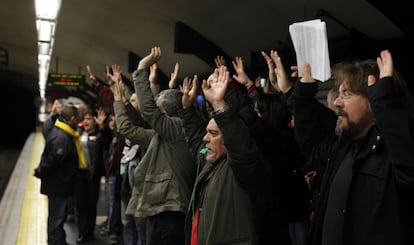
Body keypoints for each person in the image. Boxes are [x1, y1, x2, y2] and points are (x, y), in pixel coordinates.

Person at [292, 49, 414, 245]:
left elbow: (409, 174)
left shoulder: (392, 155)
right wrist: (304, 90)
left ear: (374, 102)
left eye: (346, 94)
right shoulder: (344, 147)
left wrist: (385, 101)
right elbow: (310, 145)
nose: (337, 103)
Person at [178, 66, 266, 244]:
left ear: (230, 139)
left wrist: (219, 105)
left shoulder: (240, 168)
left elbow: (240, 145)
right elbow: (196, 140)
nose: (205, 139)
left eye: (213, 134)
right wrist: (186, 108)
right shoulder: (210, 162)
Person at [125, 47, 196, 245]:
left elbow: (149, 110)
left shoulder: (177, 128)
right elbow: (154, 110)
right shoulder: (178, 129)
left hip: (170, 213)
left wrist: (141, 69)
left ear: (164, 115)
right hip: (167, 208)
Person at [38, 103, 82, 245]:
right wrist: (41, 171)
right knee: (57, 217)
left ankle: (60, 240)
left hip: (59, 183)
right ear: (72, 119)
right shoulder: (62, 137)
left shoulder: (62, 131)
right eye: (78, 118)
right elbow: (52, 161)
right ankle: (55, 242)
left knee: (58, 216)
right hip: (58, 184)